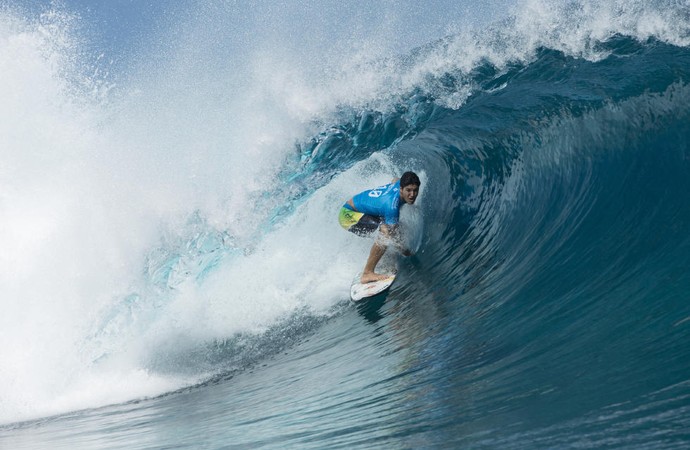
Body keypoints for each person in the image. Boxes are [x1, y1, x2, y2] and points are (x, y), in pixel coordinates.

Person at [338, 171, 421, 283]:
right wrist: (405, 251)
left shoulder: (399, 184)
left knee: (393, 227)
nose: (412, 195)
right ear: (401, 189)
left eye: (415, 190)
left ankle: (381, 255)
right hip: (348, 216)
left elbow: (395, 179)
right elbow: (392, 235)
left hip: (361, 210)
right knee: (386, 233)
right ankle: (367, 273)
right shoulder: (391, 206)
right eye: (408, 191)